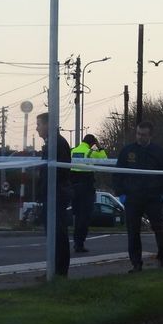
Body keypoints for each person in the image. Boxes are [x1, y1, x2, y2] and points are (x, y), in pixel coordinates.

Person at [113, 121, 163, 273]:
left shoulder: (159, 152)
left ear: (150, 135)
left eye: (143, 135)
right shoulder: (128, 151)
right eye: (138, 134)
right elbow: (118, 173)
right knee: (133, 232)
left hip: (153, 197)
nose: (140, 137)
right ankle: (136, 264)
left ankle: (162, 259)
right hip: (133, 197)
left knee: (159, 229)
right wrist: (121, 194)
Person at [36, 112, 72, 277]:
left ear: (47, 125)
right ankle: (54, 269)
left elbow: (58, 171)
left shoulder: (56, 143)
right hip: (52, 194)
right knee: (53, 234)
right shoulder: (53, 142)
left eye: (39, 125)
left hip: (56, 194)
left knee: (57, 233)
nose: (37, 129)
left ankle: (58, 271)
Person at [70, 134, 107, 252]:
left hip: (74, 187)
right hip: (86, 187)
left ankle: (77, 242)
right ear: (92, 143)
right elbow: (105, 159)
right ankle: (79, 243)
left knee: (77, 216)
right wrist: (99, 147)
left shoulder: (73, 150)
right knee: (85, 217)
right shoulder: (90, 152)